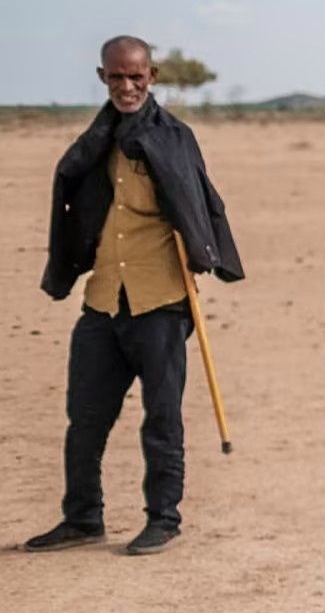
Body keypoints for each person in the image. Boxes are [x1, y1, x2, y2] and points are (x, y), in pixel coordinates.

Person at [26, 35, 244, 557]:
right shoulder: (96, 140)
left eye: (137, 77)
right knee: (86, 418)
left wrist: (202, 248)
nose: (127, 86)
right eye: (117, 77)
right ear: (102, 76)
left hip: (161, 302)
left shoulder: (174, 137)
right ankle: (82, 518)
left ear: (152, 77)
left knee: (161, 416)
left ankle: (163, 519)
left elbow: (197, 200)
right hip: (104, 300)